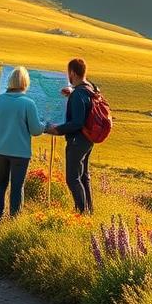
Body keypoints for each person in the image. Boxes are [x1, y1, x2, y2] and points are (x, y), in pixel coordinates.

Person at [0, 66, 45, 222]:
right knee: (17, 187)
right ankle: (14, 221)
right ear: (26, 83)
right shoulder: (28, 103)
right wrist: (45, 125)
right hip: (20, 153)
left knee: (1, 182)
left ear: (10, 81)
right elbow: (35, 130)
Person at [47, 58, 95, 214]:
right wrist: (72, 93)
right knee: (83, 177)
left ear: (72, 73)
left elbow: (77, 123)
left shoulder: (78, 94)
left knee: (72, 178)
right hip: (88, 140)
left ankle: (81, 213)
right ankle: (89, 211)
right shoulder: (90, 88)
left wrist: (58, 129)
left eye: (68, 73)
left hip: (77, 141)